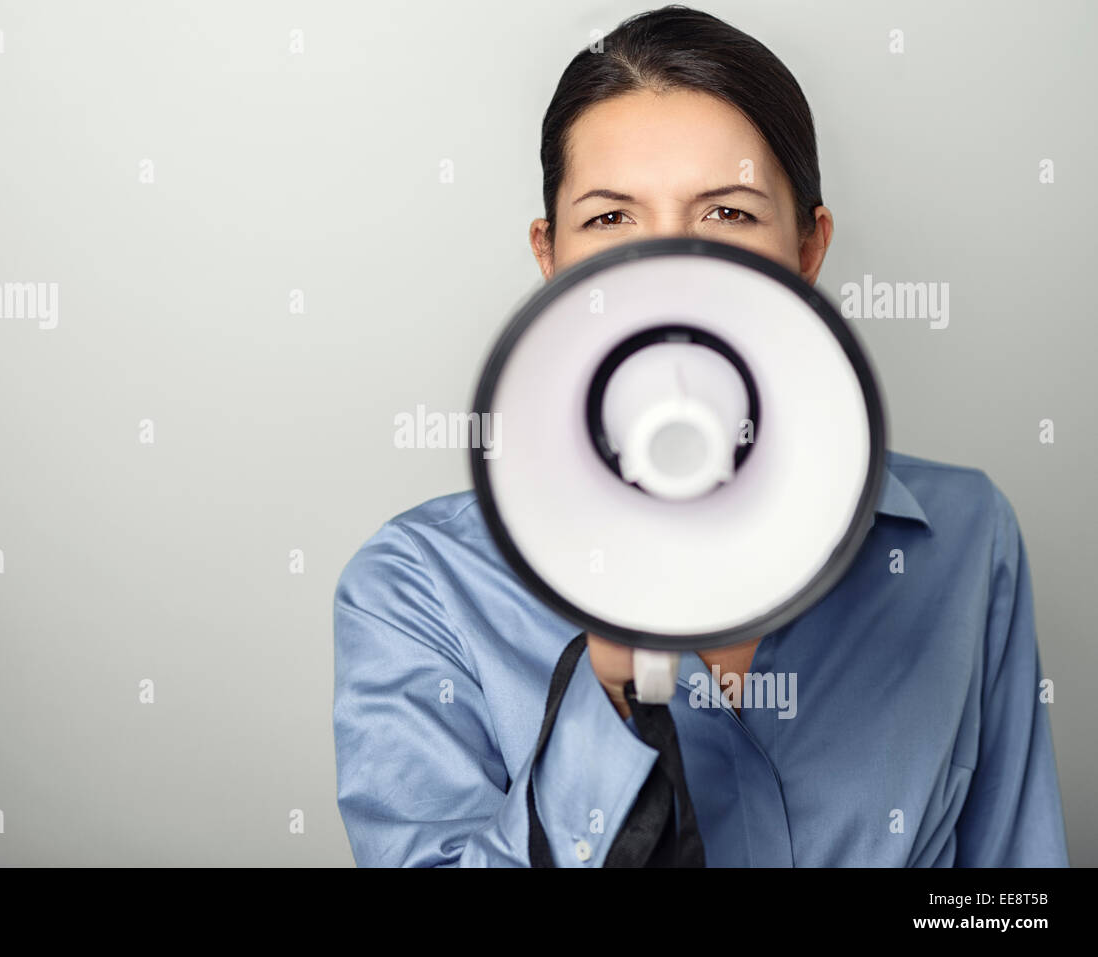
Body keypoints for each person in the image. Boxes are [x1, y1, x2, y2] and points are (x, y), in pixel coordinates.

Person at [331, 4, 1069, 867]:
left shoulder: (964, 538)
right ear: (551, 258)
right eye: (610, 220)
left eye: (728, 214)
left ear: (806, 250)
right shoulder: (418, 585)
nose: (669, 270)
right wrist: (607, 692)